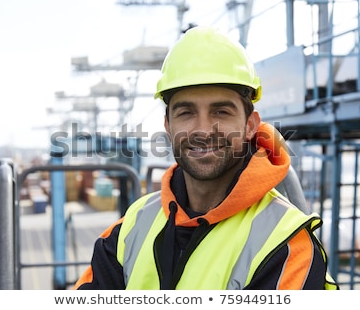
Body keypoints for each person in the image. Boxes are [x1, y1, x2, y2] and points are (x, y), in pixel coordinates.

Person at [74, 26, 338, 290]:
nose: (202, 129)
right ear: (168, 126)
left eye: (221, 112)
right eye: (186, 112)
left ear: (250, 125)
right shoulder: (131, 228)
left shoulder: (288, 245)